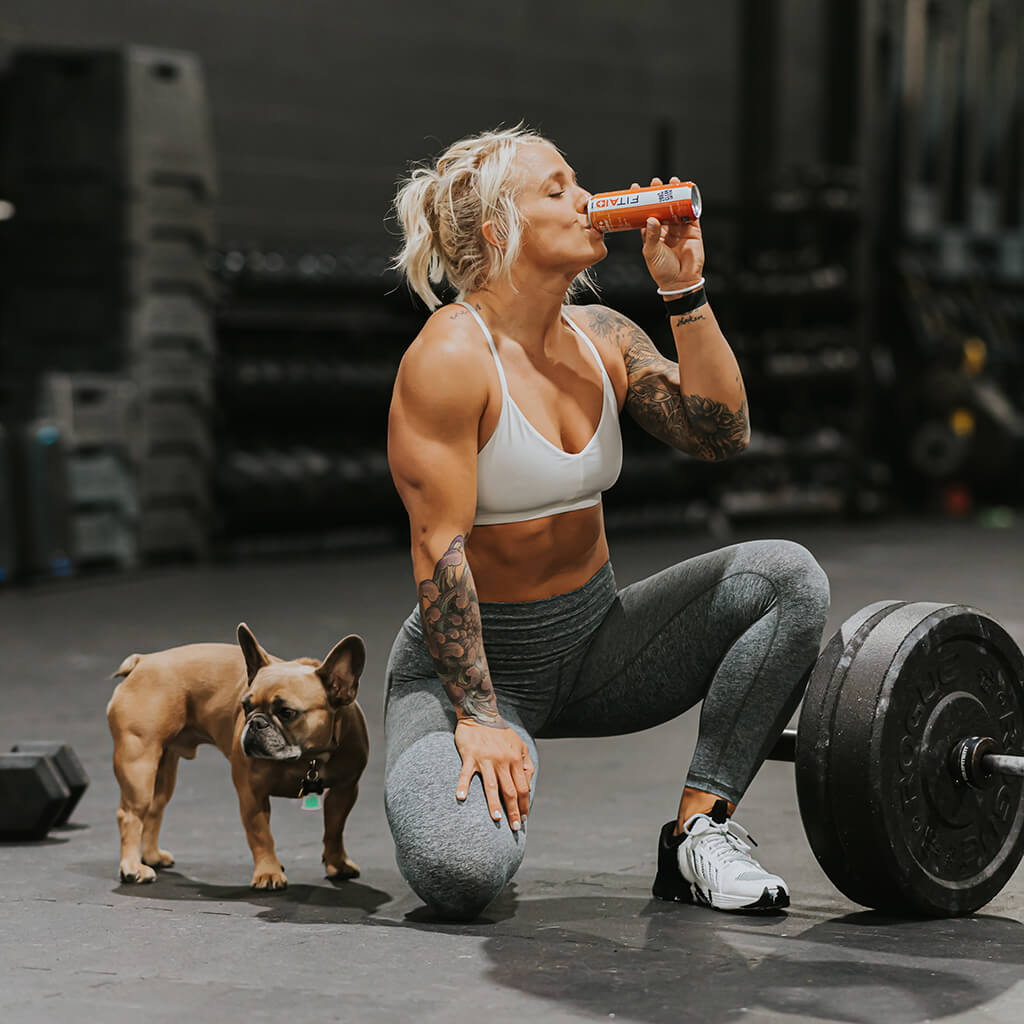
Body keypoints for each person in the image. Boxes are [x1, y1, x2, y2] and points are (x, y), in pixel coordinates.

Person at [384, 125, 830, 921]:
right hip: (473, 672)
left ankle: (699, 832)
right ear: (499, 230)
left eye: (578, 181)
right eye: (556, 189)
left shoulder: (603, 337)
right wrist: (480, 718)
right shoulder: (450, 356)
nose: (587, 200)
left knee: (786, 578)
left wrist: (684, 291)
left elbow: (721, 435)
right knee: (460, 872)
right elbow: (437, 546)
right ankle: (470, 771)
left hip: (597, 646)